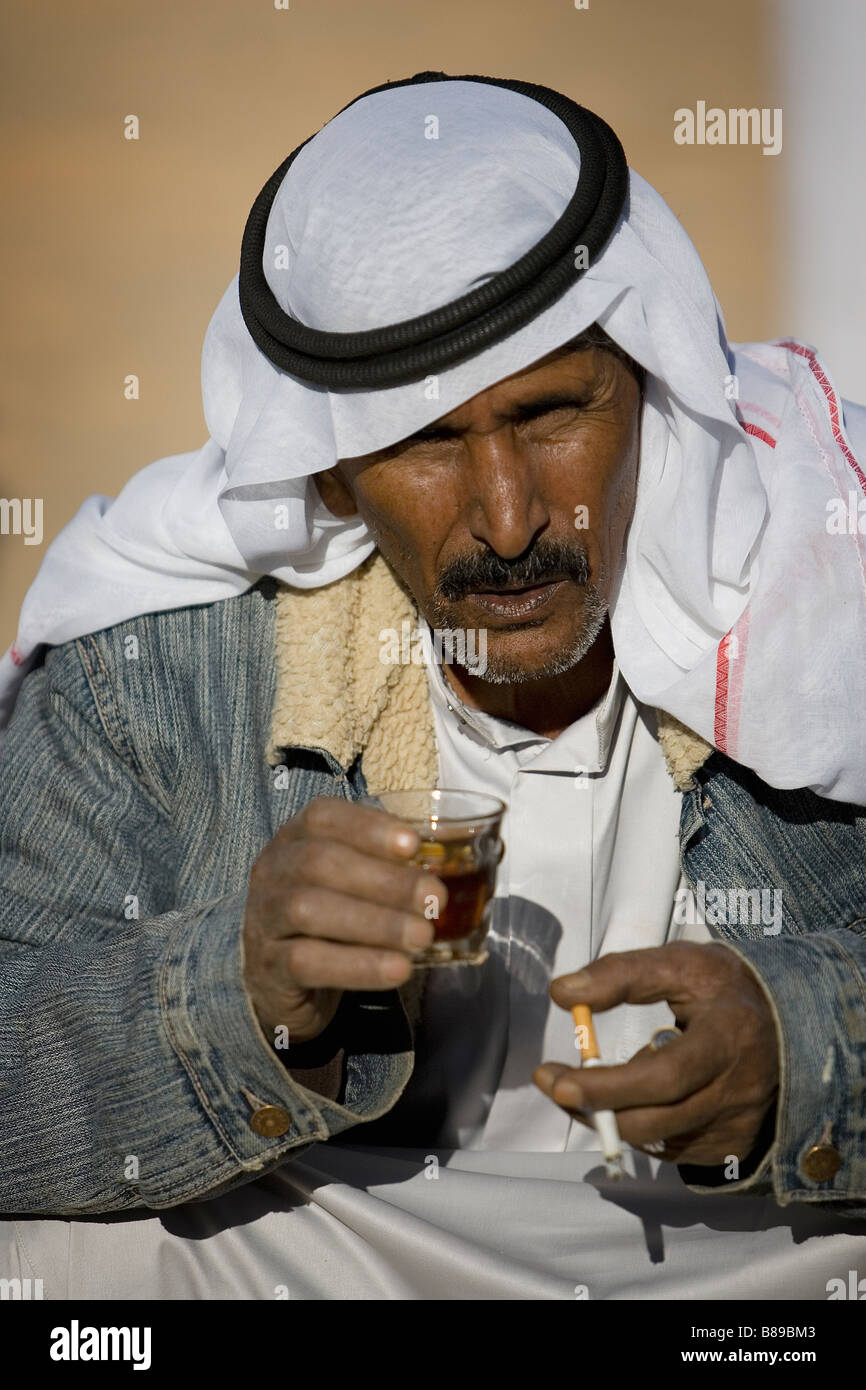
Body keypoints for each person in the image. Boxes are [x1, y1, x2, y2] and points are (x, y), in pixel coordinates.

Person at [1, 70, 865, 1301]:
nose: (507, 518)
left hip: (760, 1263)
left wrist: (810, 1056)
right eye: (424, 441)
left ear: (652, 397)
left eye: (554, 415)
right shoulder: (158, 669)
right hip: (337, 1258)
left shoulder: (824, 603)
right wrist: (235, 992)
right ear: (333, 472)